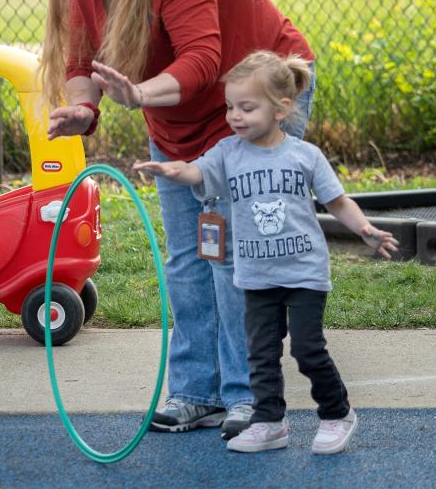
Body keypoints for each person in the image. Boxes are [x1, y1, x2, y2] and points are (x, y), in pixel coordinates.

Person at [39, 0, 316, 439]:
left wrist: (138, 96)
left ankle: (251, 398)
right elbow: (79, 63)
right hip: (177, 117)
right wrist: (83, 111)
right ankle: (196, 392)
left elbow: (203, 61)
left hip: (258, 98)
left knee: (235, 254)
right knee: (189, 257)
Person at [134, 50, 397, 454]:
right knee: (260, 356)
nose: (235, 116)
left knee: (308, 350)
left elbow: (337, 200)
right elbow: (199, 172)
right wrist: (174, 169)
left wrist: (364, 229)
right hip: (256, 276)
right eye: (230, 107)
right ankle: (269, 421)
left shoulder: (304, 156)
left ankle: (336, 413)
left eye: (247, 107)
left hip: (304, 275)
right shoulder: (228, 152)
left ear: (281, 109)